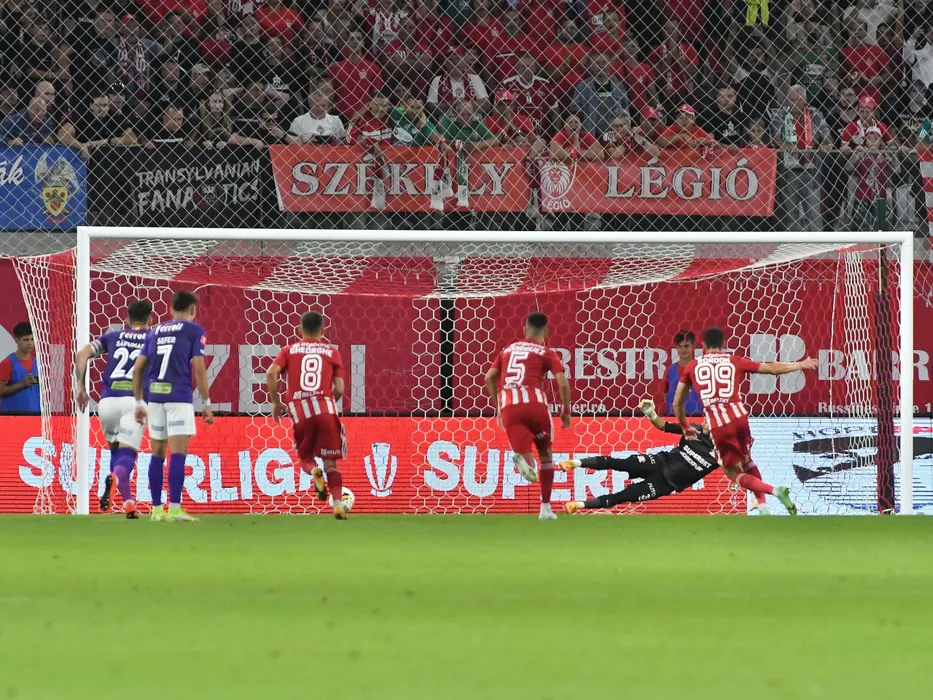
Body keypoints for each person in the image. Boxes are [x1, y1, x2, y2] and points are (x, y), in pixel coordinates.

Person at [674, 326, 818, 515]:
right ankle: (763, 506)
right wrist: (800, 365)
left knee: (731, 472)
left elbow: (677, 403)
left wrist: (685, 426)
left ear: (702, 345)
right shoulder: (734, 360)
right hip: (741, 419)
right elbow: (771, 369)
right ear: (723, 344)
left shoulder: (692, 366)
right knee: (747, 459)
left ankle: (776, 492)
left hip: (719, 424)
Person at [131, 290, 214, 522]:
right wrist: (207, 403)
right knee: (178, 453)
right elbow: (199, 367)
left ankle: (157, 510)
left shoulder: (154, 330)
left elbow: (138, 368)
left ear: (170, 309)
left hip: (155, 398)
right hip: (178, 396)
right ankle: (175, 509)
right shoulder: (195, 330)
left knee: (157, 452)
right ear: (193, 310)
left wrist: (139, 401)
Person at [561, 398, 722, 513]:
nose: (705, 421)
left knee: (624, 496)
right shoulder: (693, 430)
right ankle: (575, 463)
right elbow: (664, 426)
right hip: (659, 462)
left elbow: (734, 470)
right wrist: (651, 414)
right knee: (620, 463)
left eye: (711, 420)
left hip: (664, 485)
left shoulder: (721, 454)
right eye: (707, 417)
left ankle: (578, 505)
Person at [485, 312, 571, 520]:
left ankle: (523, 462)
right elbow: (562, 383)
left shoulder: (507, 350)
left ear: (524, 330)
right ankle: (545, 508)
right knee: (546, 455)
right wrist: (566, 411)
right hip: (535, 405)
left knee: (528, 461)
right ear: (546, 332)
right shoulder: (546, 352)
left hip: (509, 407)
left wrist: (498, 406)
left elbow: (489, 378)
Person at [74, 300, 153, 518]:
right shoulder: (153, 338)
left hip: (107, 402)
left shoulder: (113, 336)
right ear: (150, 319)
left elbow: (82, 354)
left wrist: (80, 388)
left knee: (116, 452)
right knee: (126, 456)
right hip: (134, 402)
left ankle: (128, 504)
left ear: (127, 320)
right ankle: (115, 479)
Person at [267, 312, 348, 518]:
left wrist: (276, 402)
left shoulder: (289, 350)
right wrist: (326, 402)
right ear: (322, 330)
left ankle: (314, 472)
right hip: (325, 409)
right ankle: (338, 504)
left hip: (300, 410)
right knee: (331, 463)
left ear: (300, 330)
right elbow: (339, 388)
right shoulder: (332, 352)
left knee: (305, 457)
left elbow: (271, 373)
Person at [572, 52, 630, 139]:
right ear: (591, 66)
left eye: (604, 62)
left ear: (609, 64)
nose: (601, 66)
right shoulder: (582, 88)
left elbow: (626, 111)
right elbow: (575, 112)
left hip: (615, 135)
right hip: (591, 135)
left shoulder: (618, 86)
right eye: (597, 63)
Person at [0, 322, 40, 414]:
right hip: (13, 417)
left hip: (36, 415)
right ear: (16, 340)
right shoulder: (7, 363)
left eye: (32, 339)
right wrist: (22, 384)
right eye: (26, 340)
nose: (30, 343)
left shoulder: (38, 363)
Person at [662, 330, 702, 416]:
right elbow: (665, 396)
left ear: (693, 347)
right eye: (680, 346)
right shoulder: (669, 371)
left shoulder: (701, 370)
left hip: (698, 418)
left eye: (686, 346)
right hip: (673, 418)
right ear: (676, 348)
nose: (683, 350)